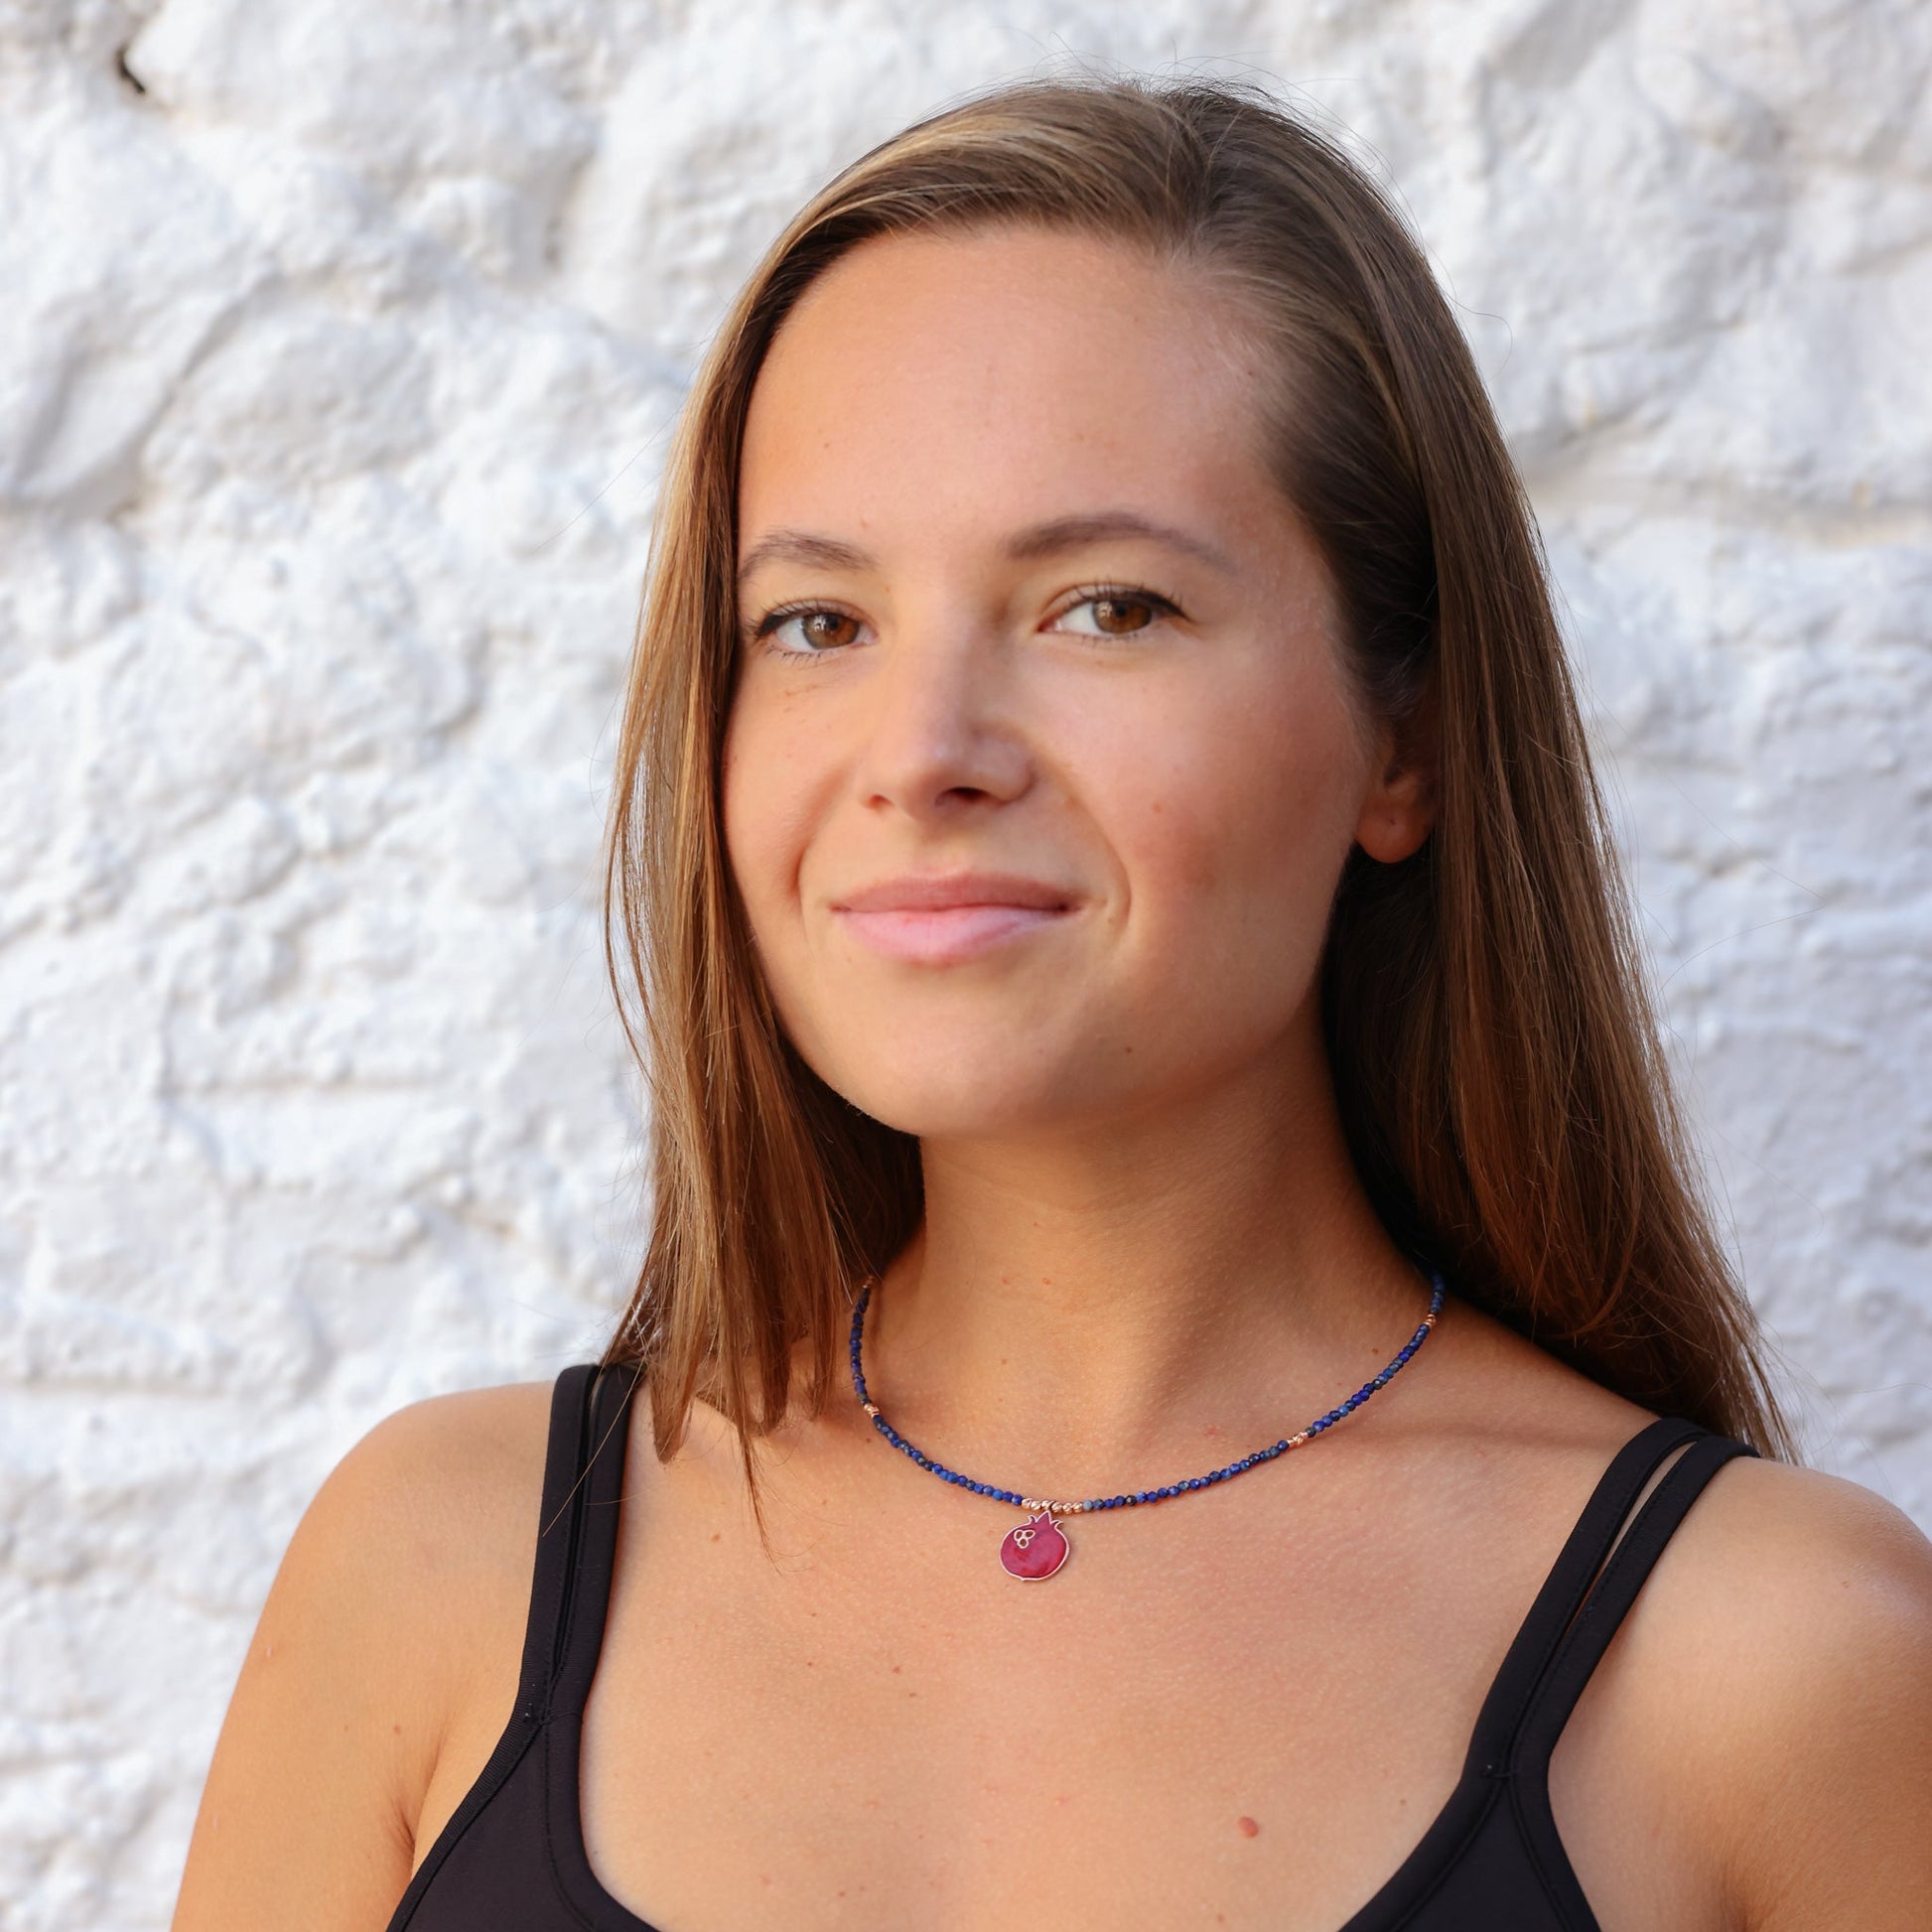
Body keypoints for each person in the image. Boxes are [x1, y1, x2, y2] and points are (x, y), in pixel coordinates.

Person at [171, 71, 1932, 1932]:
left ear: (1400, 742)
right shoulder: (434, 1570)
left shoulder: (1767, 1667)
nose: (920, 754)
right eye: (817, 624)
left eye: (1105, 606)